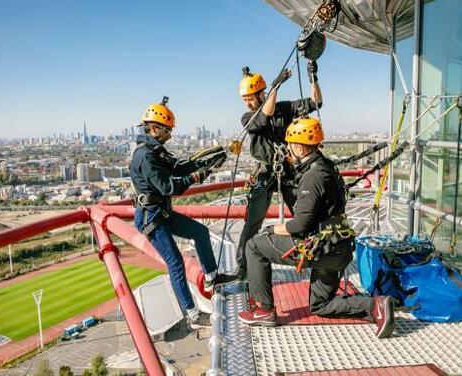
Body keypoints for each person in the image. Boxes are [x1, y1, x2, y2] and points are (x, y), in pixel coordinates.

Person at [237, 118, 395, 339]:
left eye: (290, 145)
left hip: (322, 247)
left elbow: (299, 225)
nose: (288, 150)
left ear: (300, 147)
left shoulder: (313, 176)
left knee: (254, 246)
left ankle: (264, 310)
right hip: (337, 248)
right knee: (321, 304)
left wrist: (271, 230)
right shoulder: (325, 166)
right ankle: (376, 305)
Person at [130, 97, 237, 328]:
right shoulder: (146, 156)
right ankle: (193, 315)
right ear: (154, 128)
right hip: (152, 219)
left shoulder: (155, 150)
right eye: (167, 130)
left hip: (161, 212)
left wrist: (207, 161)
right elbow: (170, 187)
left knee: (200, 232)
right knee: (175, 262)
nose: (170, 134)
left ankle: (212, 278)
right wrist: (199, 176)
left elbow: (179, 166)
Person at [235, 61, 323, 279]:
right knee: (253, 221)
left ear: (259, 94)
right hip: (264, 174)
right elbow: (264, 118)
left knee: (303, 214)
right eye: (244, 100)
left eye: (249, 98)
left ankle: (312, 253)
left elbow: (317, 102)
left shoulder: (284, 108)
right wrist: (275, 88)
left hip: (287, 170)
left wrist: (313, 77)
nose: (247, 103)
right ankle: (243, 267)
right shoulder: (248, 118)